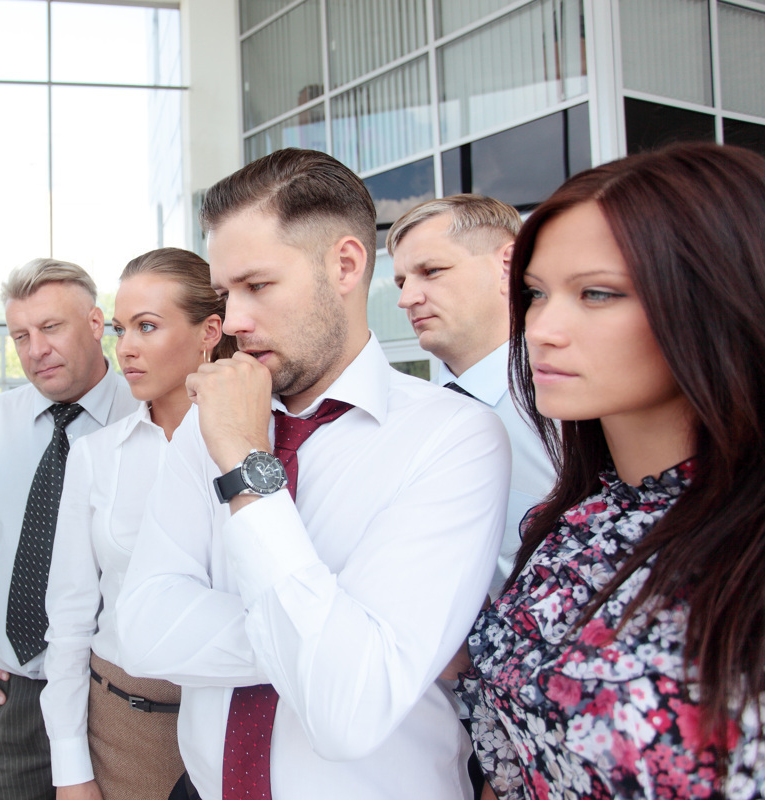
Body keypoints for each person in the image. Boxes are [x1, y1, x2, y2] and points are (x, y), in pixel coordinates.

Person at [115, 148, 512, 800]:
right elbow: (143, 631)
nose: (234, 322)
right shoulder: (206, 420)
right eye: (225, 292)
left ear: (346, 265)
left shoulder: (454, 438)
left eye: (259, 286)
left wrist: (249, 464)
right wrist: (328, 643)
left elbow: (348, 712)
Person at [454, 142, 765, 799]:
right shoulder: (570, 528)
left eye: (597, 294)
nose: (540, 328)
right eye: (536, 294)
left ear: (717, 298)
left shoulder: (744, 544)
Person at [40, 247, 234, 800]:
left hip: (240, 720)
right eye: (122, 328)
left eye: (147, 327)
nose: (125, 348)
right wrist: (70, 768)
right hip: (123, 728)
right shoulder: (96, 456)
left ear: (210, 331)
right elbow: (71, 619)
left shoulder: (260, 448)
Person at [0, 258, 139, 800]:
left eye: (51, 328)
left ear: (97, 324)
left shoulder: (146, 414)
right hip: (9, 697)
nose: (35, 349)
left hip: (118, 693)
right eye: (20, 336)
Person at [388, 194, 556, 597]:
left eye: (431, 271)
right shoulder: (406, 416)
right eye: (401, 281)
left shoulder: (574, 407)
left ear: (507, 266)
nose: (406, 298)